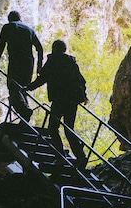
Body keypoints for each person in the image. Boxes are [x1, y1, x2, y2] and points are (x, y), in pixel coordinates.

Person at [27, 39, 88, 167]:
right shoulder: (71, 62)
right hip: (72, 100)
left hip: (59, 100)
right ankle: (81, 156)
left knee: (53, 128)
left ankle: (60, 156)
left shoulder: (52, 61)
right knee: (68, 128)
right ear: (64, 49)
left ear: (54, 49)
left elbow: (42, 78)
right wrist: (83, 96)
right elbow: (80, 80)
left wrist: (28, 88)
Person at [0, 11, 43, 122]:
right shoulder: (30, 30)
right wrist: (39, 67)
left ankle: (24, 110)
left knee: (13, 87)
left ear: (9, 19)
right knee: (23, 90)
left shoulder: (8, 27)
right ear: (20, 18)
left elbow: (0, 46)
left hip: (16, 61)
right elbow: (40, 48)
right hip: (28, 63)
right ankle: (25, 119)